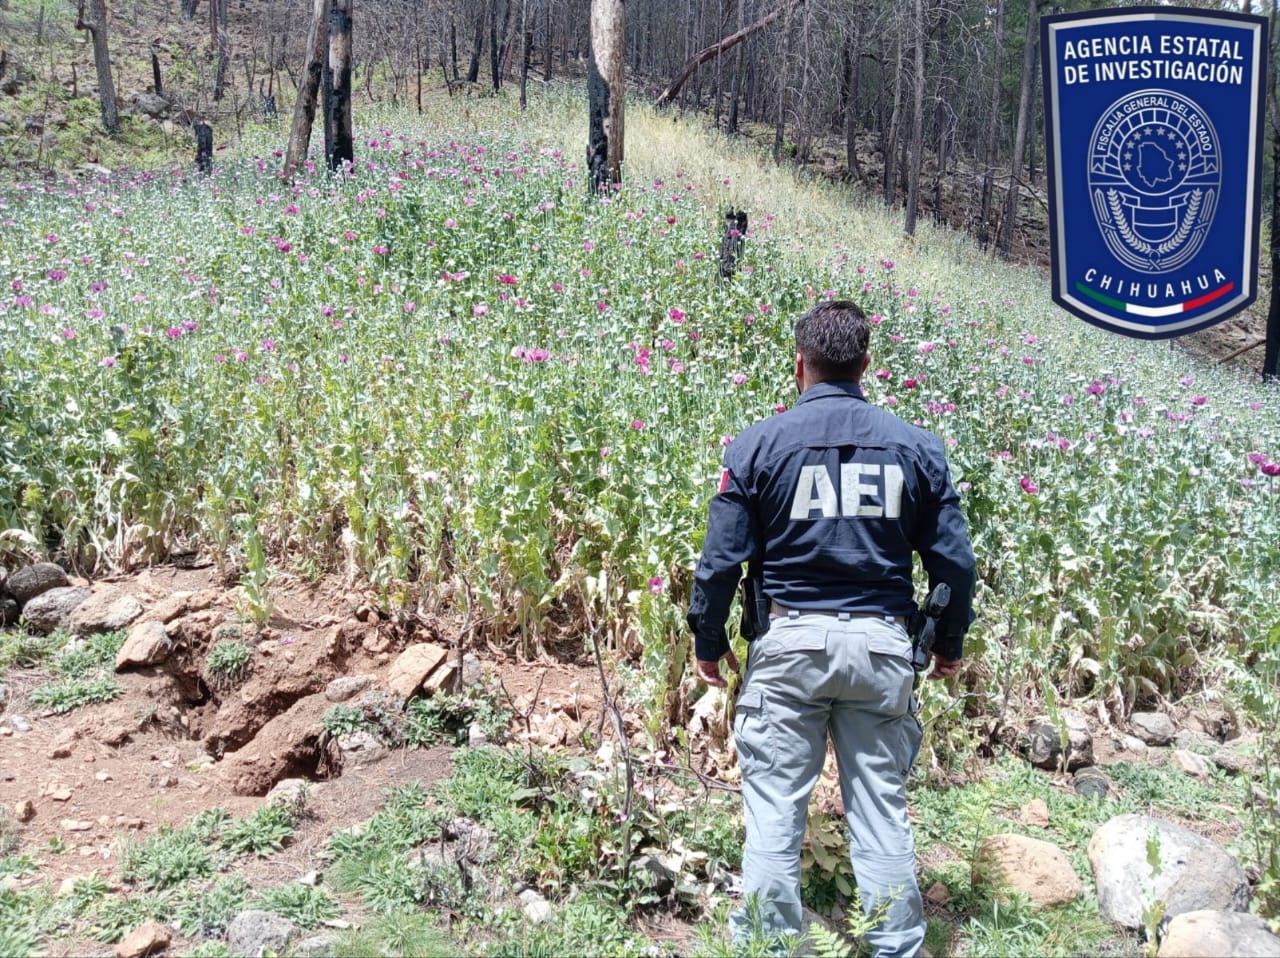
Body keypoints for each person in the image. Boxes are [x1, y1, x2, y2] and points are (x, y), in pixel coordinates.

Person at [686, 299, 976, 958]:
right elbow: (955, 563)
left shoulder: (757, 445)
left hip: (789, 645)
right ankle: (896, 947)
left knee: (775, 813)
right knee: (879, 811)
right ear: (866, 366)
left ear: (800, 366)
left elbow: (720, 561)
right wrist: (950, 642)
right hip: (881, 649)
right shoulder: (917, 448)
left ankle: (767, 948)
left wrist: (709, 640)